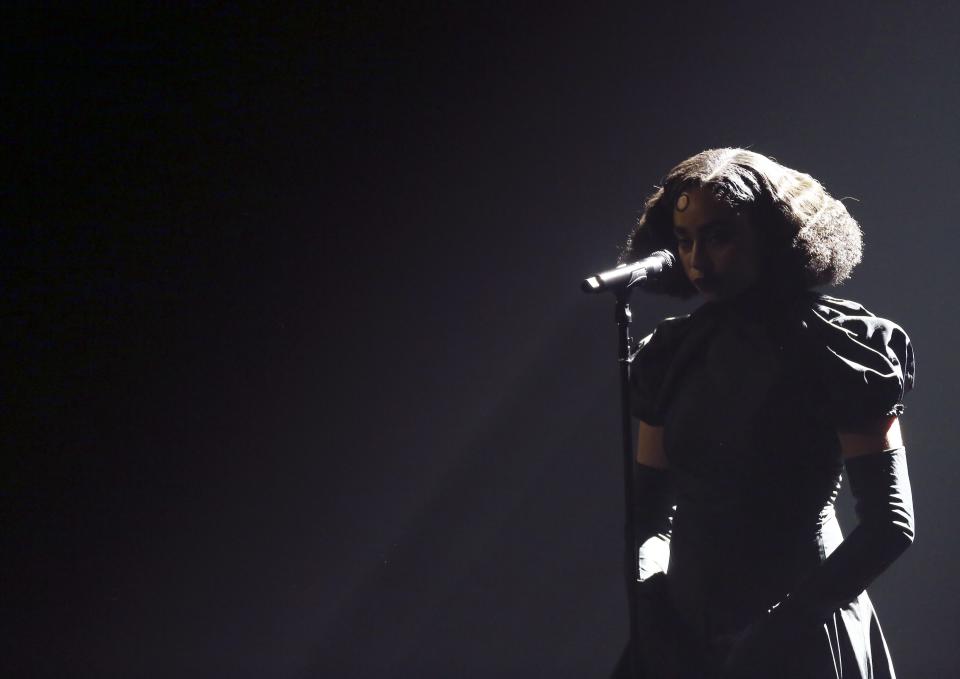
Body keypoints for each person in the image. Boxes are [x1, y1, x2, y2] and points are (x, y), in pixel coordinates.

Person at [610, 149, 915, 678]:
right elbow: (648, 516)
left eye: (718, 236)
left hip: (798, 637)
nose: (697, 260)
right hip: (681, 640)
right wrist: (654, 603)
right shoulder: (672, 353)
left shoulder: (839, 347)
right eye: (684, 241)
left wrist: (779, 630)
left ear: (773, 238)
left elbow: (890, 524)